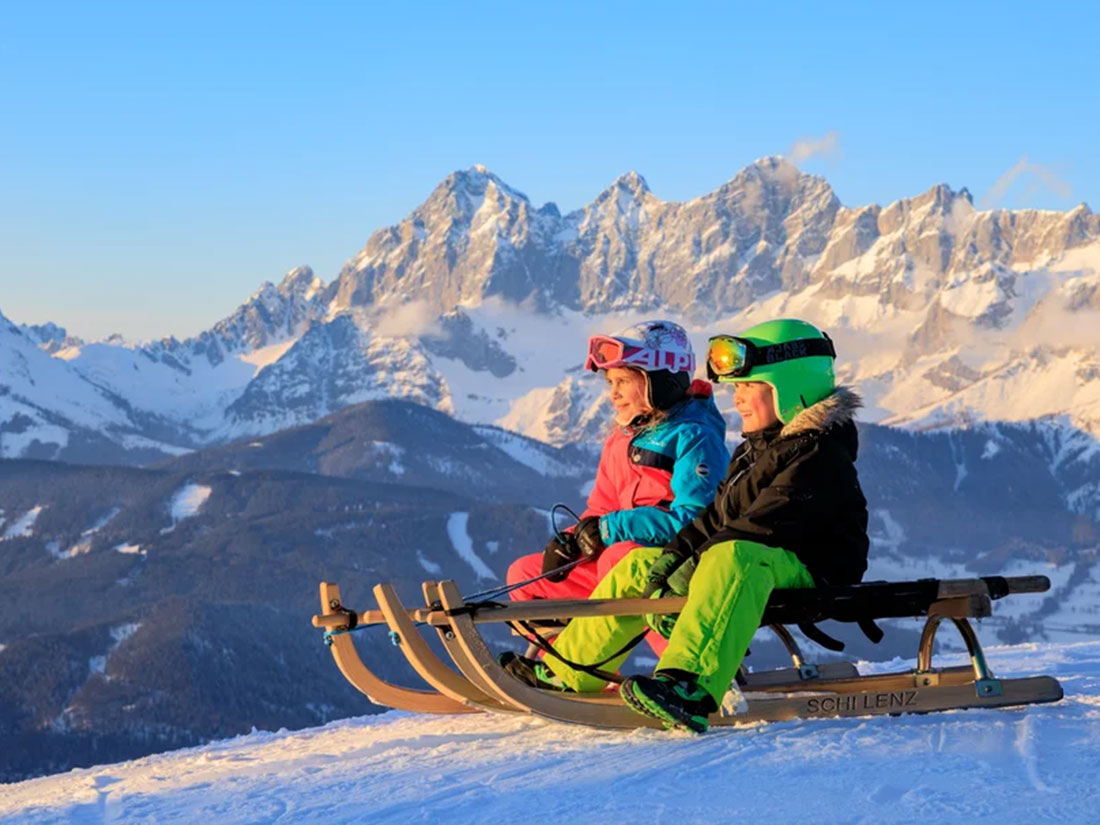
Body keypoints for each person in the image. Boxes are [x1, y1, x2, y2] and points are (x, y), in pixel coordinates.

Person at [505, 318, 869, 733]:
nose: (738, 400)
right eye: (736, 388)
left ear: (787, 386)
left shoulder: (818, 456)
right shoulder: (759, 452)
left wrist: (691, 566)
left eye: (749, 387)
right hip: (753, 560)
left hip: (809, 570)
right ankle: (566, 673)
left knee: (733, 554)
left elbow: (761, 525)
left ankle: (689, 684)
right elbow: (714, 517)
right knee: (635, 567)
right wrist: (673, 559)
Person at [506, 321, 729, 626]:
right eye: (611, 383)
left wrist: (611, 529)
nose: (613, 394)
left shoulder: (694, 437)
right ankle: (559, 668)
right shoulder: (621, 439)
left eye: (623, 381)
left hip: (673, 565)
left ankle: (675, 668)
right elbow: (602, 509)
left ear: (661, 381)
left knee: (619, 559)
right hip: (617, 562)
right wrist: (574, 540)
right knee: (526, 575)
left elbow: (695, 520)